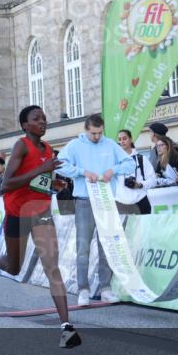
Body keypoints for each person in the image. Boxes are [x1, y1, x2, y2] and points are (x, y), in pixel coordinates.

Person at [0, 105, 80, 348]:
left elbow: (38, 181)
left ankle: (66, 328)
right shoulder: (21, 145)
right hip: (17, 214)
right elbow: (7, 184)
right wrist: (41, 170)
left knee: (52, 268)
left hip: (41, 213)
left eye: (44, 118)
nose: (43, 122)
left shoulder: (47, 149)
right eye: (37, 119)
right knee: (14, 267)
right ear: (25, 125)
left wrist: (51, 185)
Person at [57, 113, 135, 306]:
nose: (97, 137)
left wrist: (113, 170)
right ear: (86, 130)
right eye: (93, 133)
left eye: (100, 133)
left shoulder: (109, 144)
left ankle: (105, 287)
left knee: (107, 245)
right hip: (84, 200)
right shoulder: (75, 145)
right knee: (82, 246)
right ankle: (83, 289)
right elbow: (59, 164)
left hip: (106, 200)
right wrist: (82, 172)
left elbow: (130, 162)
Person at [114, 129, 156, 214]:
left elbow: (153, 180)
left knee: (143, 227)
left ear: (130, 139)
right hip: (120, 204)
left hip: (140, 201)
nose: (122, 141)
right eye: (119, 139)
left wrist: (140, 185)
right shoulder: (113, 161)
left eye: (124, 138)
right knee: (124, 227)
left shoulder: (141, 159)